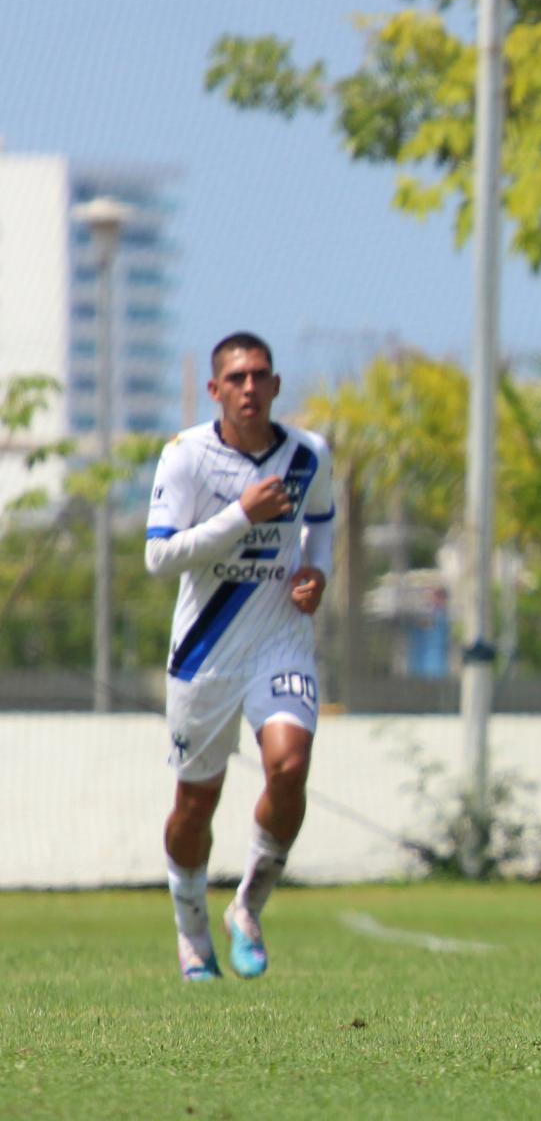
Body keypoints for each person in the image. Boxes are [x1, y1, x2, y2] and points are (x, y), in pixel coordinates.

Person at [144, 333, 336, 983]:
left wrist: (317, 572)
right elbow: (159, 557)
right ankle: (191, 925)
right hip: (205, 654)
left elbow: (324, 520)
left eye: (259, 375)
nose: (249, 387)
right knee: (196, 803)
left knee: (290, 765)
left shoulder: (308, 454)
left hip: (279, 639)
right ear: (215, 390)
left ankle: (248, 906)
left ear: (276, 385)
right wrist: (239, 517)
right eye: (236, 377)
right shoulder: (185, 457)